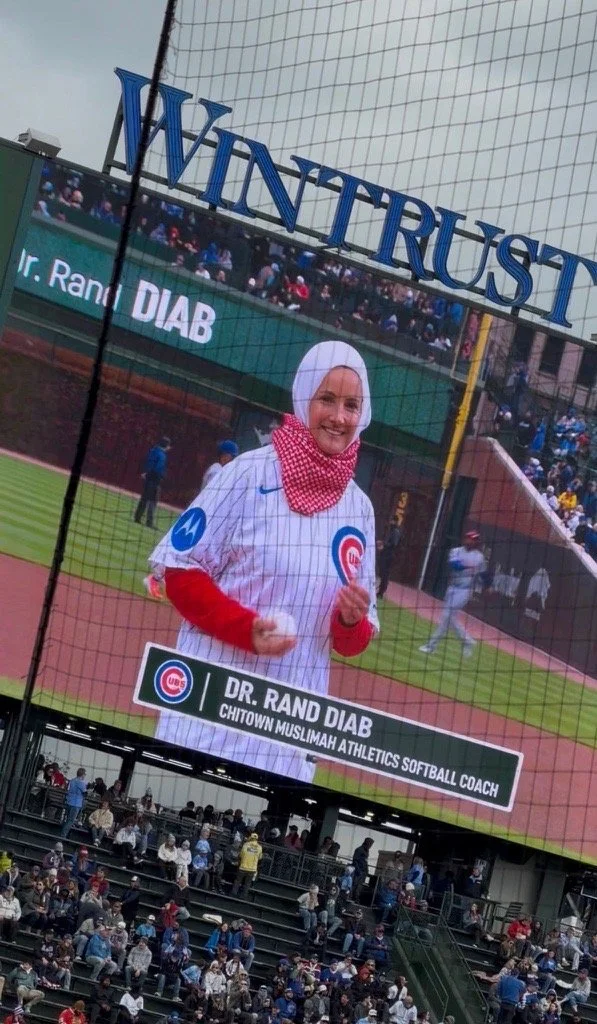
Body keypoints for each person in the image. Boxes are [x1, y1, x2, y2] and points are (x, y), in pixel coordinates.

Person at [149, 340, 379, 783]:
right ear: (303, 398)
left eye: (351, 405)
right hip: (209, 707)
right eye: (326, 399)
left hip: (290, 726)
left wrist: (350, 621)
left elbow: (353, 642)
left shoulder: (360, 509)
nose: (339, 416)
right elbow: (180, 571)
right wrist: (244, 629)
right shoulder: (247, 473)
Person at [419, 530, 488, 656]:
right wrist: (470, 567)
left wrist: (485, 586)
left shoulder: (479, 557)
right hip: (451, 588)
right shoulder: (456, 551)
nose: (469, 541)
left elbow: (483, 574)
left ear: (476, 542)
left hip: (465, 590)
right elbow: (455, 566)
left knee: (446, 616)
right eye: (468, 538)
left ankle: (431, 646)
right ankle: (467, 640)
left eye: (472, 539)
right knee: (450, 618)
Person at [135, 436, 171, 530]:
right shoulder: (162, 455)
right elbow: (158, 468)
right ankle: (149, 522)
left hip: (148, 478)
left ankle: (137, 517)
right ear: (166, 445)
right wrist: (161, 476)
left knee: (144, 498)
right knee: (153, 501)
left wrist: (145, 472)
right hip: (155, 480)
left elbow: (146, 461)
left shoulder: (153, 450)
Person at [377, 517, 401, 598]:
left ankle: (381, 592)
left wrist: (384, 545)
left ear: (395, 522)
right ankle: (380, 590)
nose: (391, 522)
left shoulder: (395, 532)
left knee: (385, 574)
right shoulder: (391, 531)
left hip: (389, 556)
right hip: (386, 555)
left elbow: (394, 544)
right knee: (383, 573)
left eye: (392, 521)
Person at [61, 768, 88, 837]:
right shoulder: (81, 783)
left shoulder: (72, 781)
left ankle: (63, 833)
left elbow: (68, 789)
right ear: (82, 774)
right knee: (71, 821)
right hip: (76, 804)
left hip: (69, 802)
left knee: (67, 819)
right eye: (85, 774)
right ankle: (63, 836)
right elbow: (85, 793)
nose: (85, 776)